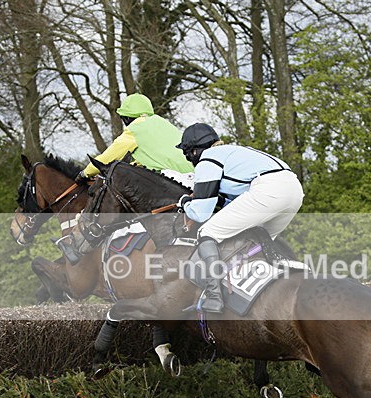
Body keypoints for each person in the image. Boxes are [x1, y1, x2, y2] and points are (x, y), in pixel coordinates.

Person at [176, 123, 304, 313]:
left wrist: (185, 203)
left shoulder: (208, 158)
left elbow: (201, 213)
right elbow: (236, 206)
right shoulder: (234, 152)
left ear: (193, 151)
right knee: (257, 239)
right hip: (294, 190)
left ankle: (214, 296)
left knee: (207, 232)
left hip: (269, 190)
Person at [59, 93, 192, 264]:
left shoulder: (135, 130)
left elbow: (108, 157)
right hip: (193, 177)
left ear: (128, 117)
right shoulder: (163, 124)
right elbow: (151, 159)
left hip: (170, 180)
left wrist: (85, 173)